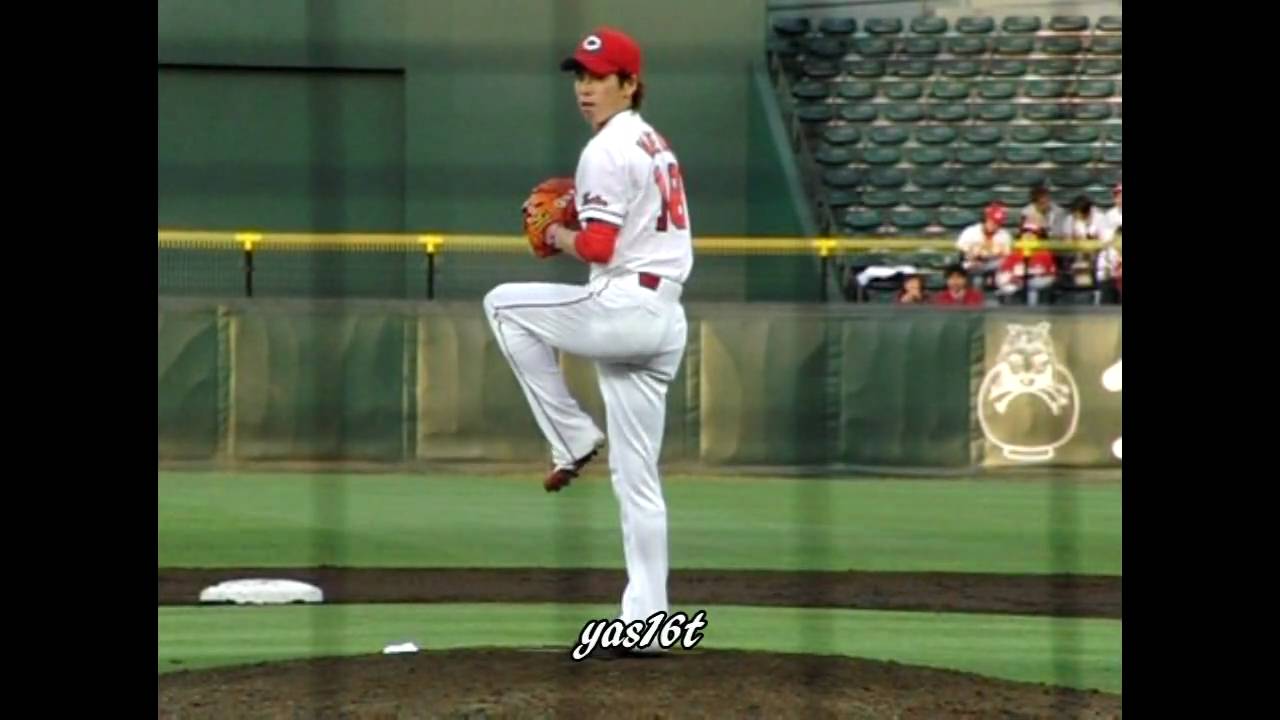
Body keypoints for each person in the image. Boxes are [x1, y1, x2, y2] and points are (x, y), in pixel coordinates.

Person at [483, 27, 692, 651]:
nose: (585, 87)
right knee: (638, 480)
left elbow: (598, 247)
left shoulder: (605, 148)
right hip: (664, 317)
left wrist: (556, 234)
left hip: (624, 306)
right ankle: (649, 624)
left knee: (503, 306)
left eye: (599, 77)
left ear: (629, 84)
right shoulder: (654, 143)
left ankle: (571, 436)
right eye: (580, 76)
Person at [956, 202, 1013, 287]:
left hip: (991, 264)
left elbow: (1006, 255)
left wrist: (995, 254)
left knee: (1005, 263)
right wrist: (972, 257)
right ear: (986, 219)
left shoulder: (1005, 235)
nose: (995, 225)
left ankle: (994, 282)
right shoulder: (971, 231)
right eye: (992, 221)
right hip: (972, 264)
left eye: (998, 223)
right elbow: (962, 250)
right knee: (976, 278)